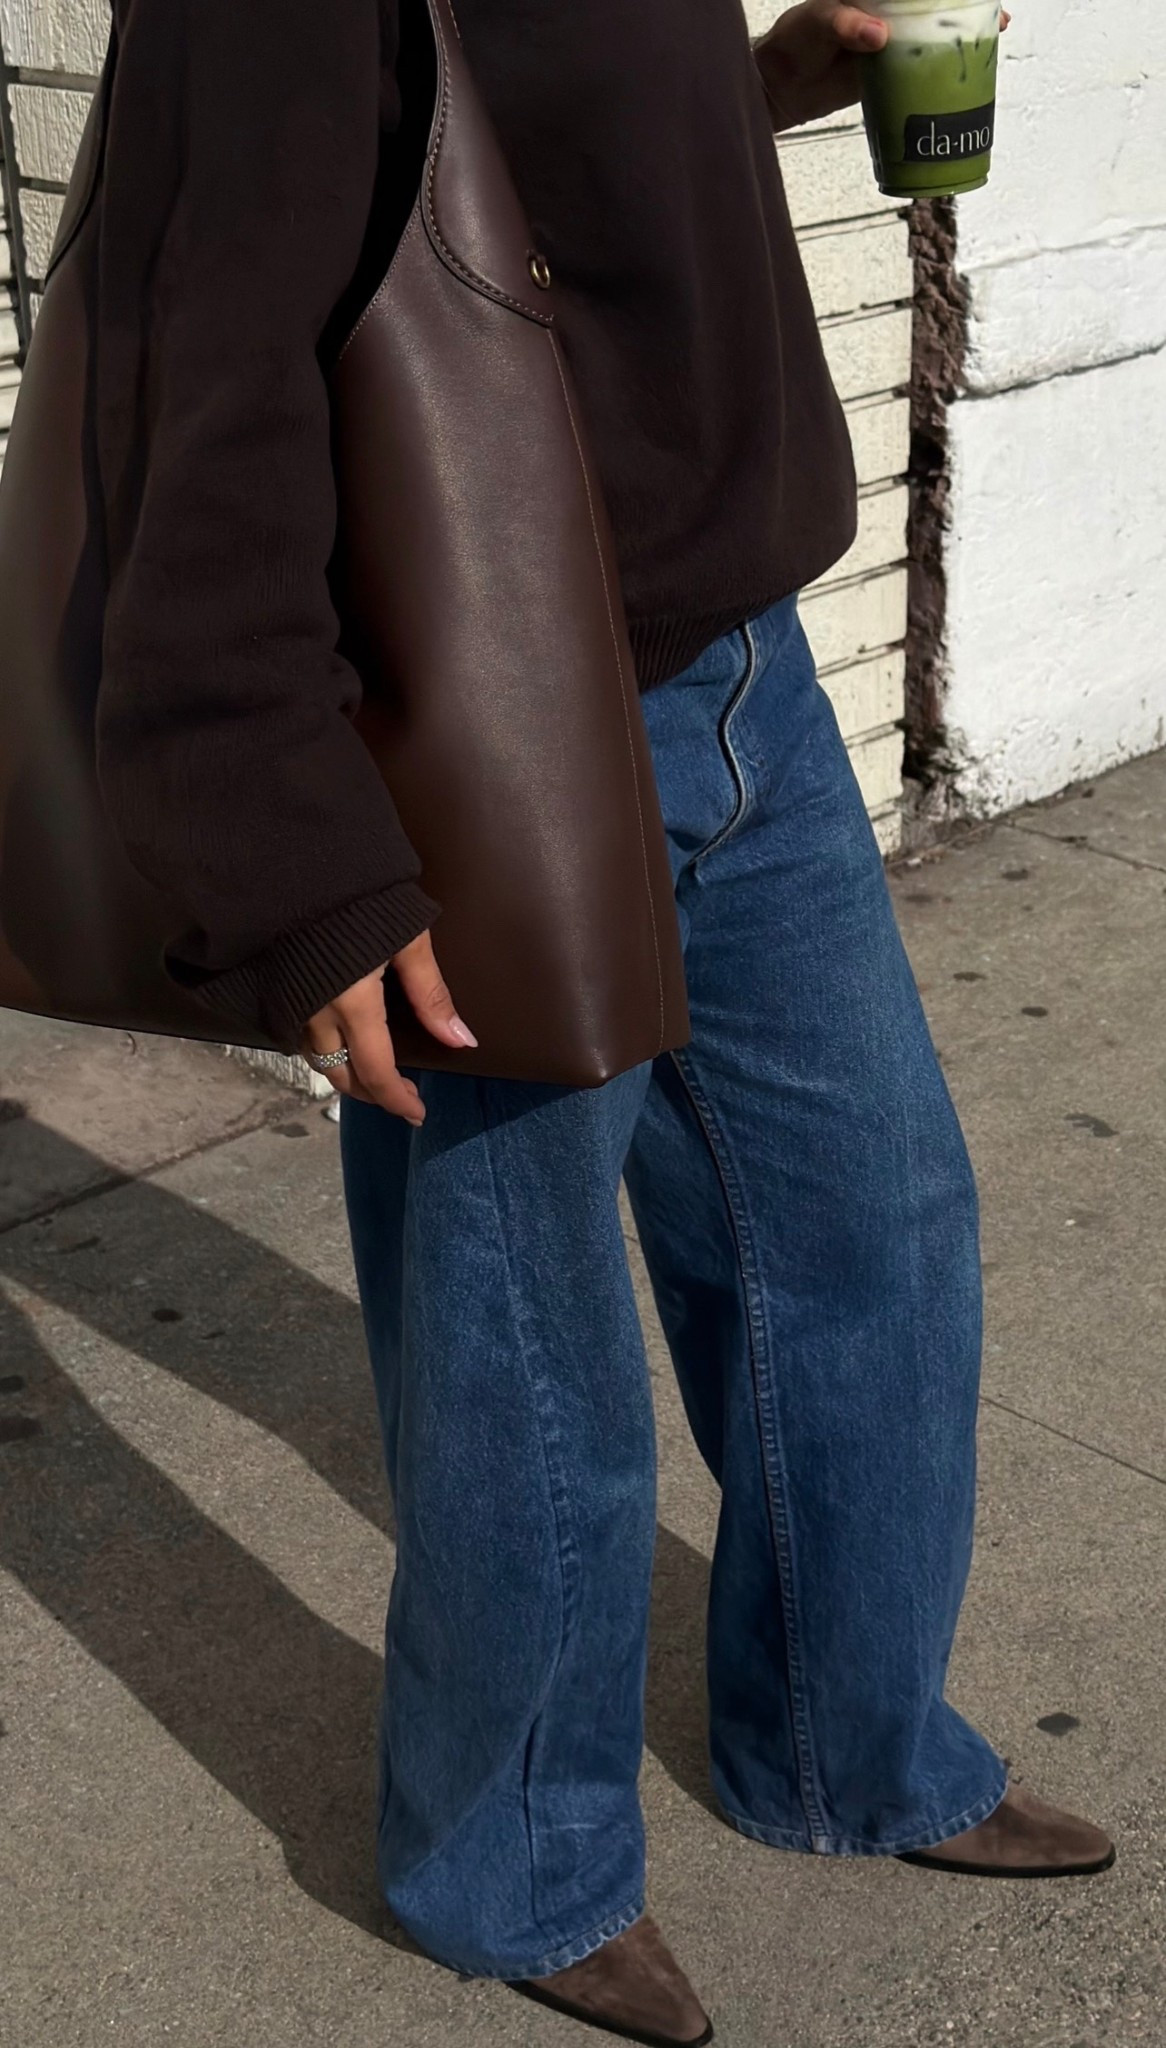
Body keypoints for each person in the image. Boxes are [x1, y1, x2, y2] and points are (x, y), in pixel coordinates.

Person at [94, 1, 1111, 2042]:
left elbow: (495, 167)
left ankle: (848, 1743)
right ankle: (516, 1861)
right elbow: (204, 360)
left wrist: (782, 71)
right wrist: (301, 854)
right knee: (521, 1337)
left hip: (736, 674)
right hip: (502, 714)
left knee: (872, 1230)